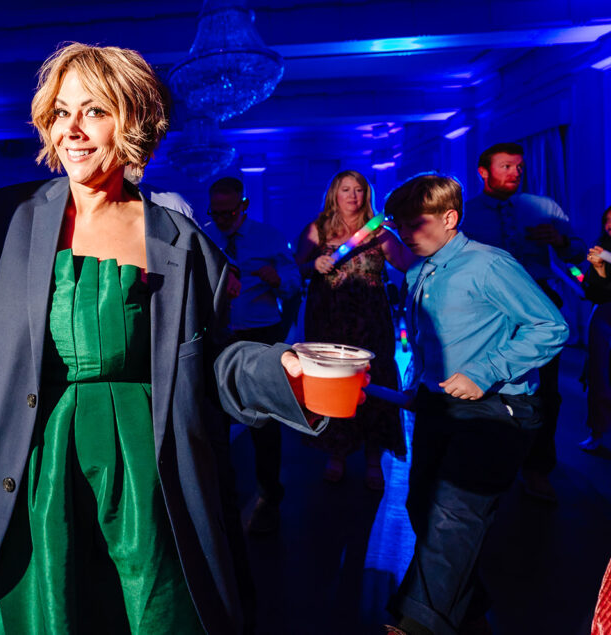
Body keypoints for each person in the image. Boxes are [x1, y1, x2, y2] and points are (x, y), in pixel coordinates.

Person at [0, 43, 341, 635]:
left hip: (149, 482)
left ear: (133, 121)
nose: (72, 129)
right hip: (29, 476)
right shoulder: (9, 217)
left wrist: (283, 371)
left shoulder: (181, 240)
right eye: (61, 112)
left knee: (154, 614)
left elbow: (209, 361)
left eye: (94, 111)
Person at [384, 173, 568, 635]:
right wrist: (418, 383)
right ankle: (468, 610)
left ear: (450, 218)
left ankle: (415, 624)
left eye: (415, 222)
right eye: (399, 224)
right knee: (421, 506)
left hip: (496, 411)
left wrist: (485, 372)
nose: (405, 233)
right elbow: (428, 341)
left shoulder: (489, 264)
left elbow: (551, 327)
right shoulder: (418, 271)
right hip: (437, 404)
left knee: (454, 518)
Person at [461, 142, 585, 503]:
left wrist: (560, 241)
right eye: (505, 166)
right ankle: (488, 461)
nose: (515, 173)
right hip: (488, 310)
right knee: (489, 384)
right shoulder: (466, 214)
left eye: (518, 167)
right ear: (483, 172)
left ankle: (537, 468)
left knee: (546, 390)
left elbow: (578, 251)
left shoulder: (543, 207)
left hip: (539, 305)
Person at [295, 170, 416, 489]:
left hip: (370, 321)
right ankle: (336, 454)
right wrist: (313, 265)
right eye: (346, 189)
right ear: (334, 194)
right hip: (329, 320)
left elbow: (408, 263)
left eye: (359, 189)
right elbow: (293, 268)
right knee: (334, 385)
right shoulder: (317, 230)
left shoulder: (379, 232)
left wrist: (408, 231)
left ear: (367, 194)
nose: (352, 195)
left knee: (373, 383)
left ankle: (374, 459)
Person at [204, 175, 300, 532]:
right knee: (215, 418)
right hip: (218, 336)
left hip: (261, 334)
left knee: (264, 420)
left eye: (229, 213)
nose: (222, 220)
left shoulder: (268, 237)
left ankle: (269, 495)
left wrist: (276, 278)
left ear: (243, 206)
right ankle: (220, 496)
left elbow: (294, 284)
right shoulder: (205, 235)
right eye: (216, 213)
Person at [581, 205, 611, 452]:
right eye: (607, 221)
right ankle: (598, 432)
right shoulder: (600, 249)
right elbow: (591, 291)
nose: (610, 225)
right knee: (599, 375)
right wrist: (599, 270)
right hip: (604, 317)